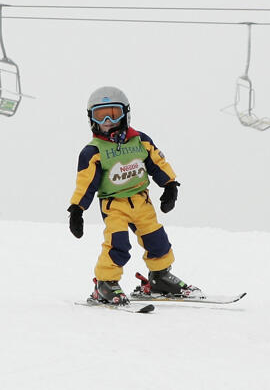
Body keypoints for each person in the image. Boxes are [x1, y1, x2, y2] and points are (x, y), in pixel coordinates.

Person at [67, 86, 200, 305]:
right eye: (101, 115)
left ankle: (159, 277)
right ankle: (105, 283)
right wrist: (77, 209)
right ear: (92, 118)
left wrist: (170, 185)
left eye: (114, 112)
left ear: (125, 113)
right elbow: (85, 183)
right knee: (118, 244)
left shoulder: (139, 140)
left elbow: (157, 163)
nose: (108, 120)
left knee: (157, 240)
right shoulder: (93, 151)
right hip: (114, 205)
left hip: (141, 200)